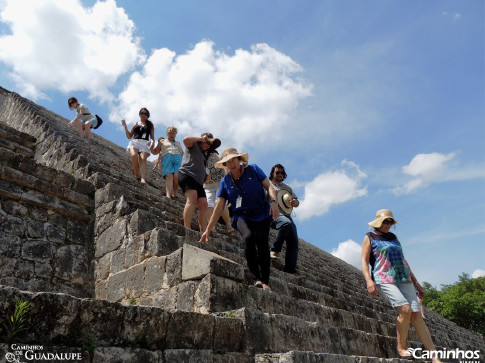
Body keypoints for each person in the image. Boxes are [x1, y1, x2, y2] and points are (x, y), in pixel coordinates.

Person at [361, 209, 441, 362]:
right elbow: (364, 261)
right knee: (405, 309)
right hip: (384, 277)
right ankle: (401, 346)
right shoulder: (369, 237)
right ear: (378, 222)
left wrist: (416, 282)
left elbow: (403, 260)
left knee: (417, 316)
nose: (388, 224)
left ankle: (434, 356)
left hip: (404, 277)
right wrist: (368, 280)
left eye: (390, 222)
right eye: (385, 221)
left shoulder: (394, 237)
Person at [200, 148, 279, 291]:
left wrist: (273, 202)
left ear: (239, 160)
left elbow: (269, 186)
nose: (231, 164)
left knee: (262, 242)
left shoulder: (253, 169)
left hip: (262, 213)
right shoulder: (225, 181)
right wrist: (207, 229)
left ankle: (266, 280)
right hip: (242, 216)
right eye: (227, 162)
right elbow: (219, 207)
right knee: (248, 237)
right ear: (225, 166)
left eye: (233, 160)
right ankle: (257, 278)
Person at [178, 133, 220, 232]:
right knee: (192, 199)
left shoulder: (205, 155)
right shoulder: (194, 145)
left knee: (204, 204)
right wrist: (201, 139)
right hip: (187, 175)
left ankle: (203, 232)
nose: (208, 145)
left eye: (210, 144)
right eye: (207, 142)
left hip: (198, 181)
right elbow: (185, 139)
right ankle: (187, 228)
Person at [268, 164, 300, 274]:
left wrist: (295, 202)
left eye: (282, 173)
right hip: (272, 213)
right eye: (277, 172)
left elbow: (296, 202)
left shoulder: (287, 188)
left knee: (294, 242)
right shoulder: (268, 184)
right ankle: (275, 249)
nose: (280, 174)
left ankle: (290, 269)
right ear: (272, 173)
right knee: (286, 224)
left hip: (286, 214)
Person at [203, 136, 234, 234]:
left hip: (219, 182)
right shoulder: (201, 155)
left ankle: (229, 225)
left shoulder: (214, 154)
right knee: (208, 204)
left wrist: (226, 174)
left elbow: (223, 164)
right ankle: (212, 227)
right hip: (208, 184)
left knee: (219, 203)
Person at [121, 108, 155, 184]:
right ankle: (136, 174)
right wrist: (125, 127)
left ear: (147, 115)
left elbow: (153, 138)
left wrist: (151, 142)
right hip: (135, 142)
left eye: (145, 114)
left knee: (143, 158)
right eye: (142, 113)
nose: (144, 115)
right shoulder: (135, 124)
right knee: (134, 155)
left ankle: (143, 178)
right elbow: (129, 136)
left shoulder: (150, 125)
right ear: (139, 114)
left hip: (145, 143)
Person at [151, 126, 184, 198]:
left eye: (173, 133)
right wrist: (151, 147)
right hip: (166, 158)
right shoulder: (162, 141)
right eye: (169, 133)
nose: (171, 134)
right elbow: (155, 152)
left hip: (178, 158)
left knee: (176, 176)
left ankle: (174, 194)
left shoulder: (178, 143)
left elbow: (182, 153)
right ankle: (168, 195)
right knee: (169, 176)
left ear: (175, 134)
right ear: (166, 134)